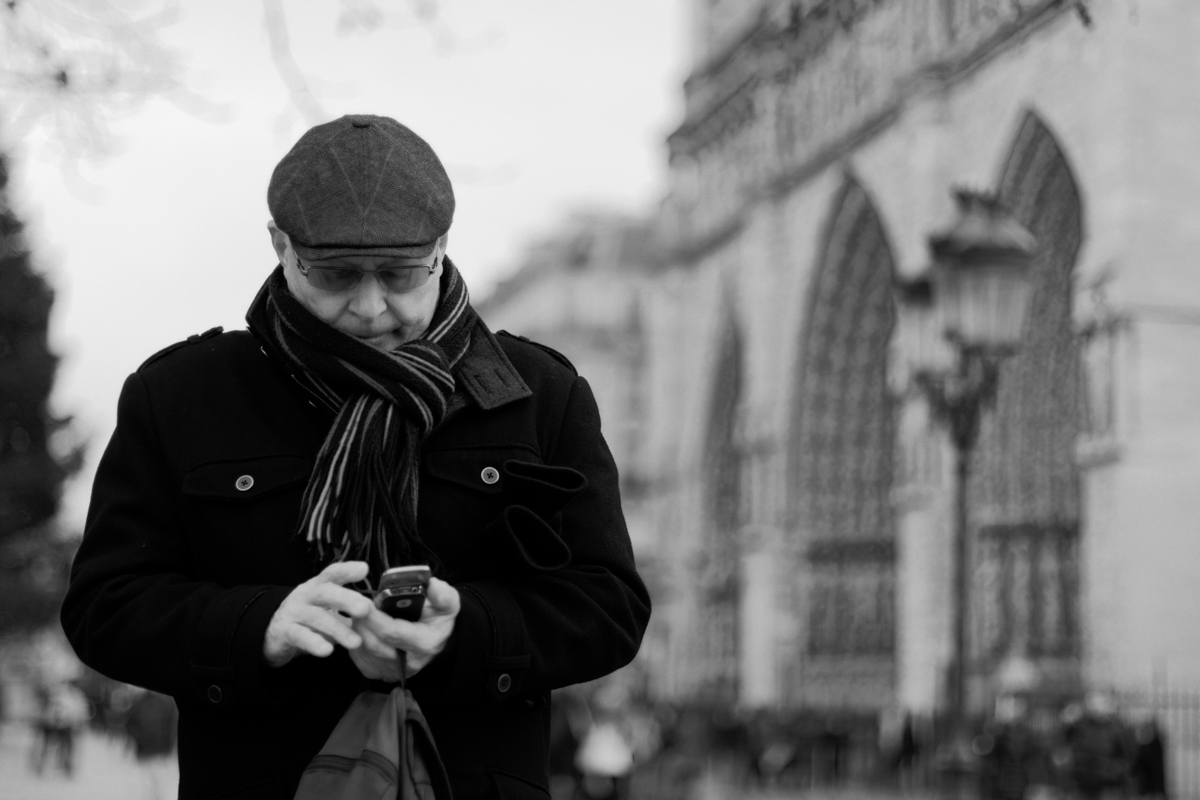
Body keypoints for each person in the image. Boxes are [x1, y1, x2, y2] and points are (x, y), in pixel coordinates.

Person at [61, 113, 651, 800]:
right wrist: (260, 627)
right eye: (337, 275)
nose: (370, 308)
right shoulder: (180, 396)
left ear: (441, 248)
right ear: (281, 245)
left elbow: (608, 606)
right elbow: (105, 606)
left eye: (401, 275)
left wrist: (465, 634)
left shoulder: (540, 394)